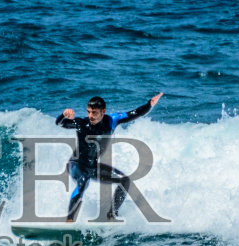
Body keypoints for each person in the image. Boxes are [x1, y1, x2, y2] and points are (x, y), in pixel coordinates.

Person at [55, 92, 164, 221]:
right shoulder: (81, 123)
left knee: (124, 180)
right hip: (76, 164)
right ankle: (69, 220)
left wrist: (149, 104)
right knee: (83, 181)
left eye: (94, 112)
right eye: (89, 112)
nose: (90, 116)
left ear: (103, 111)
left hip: (93, 166)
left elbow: (134, 114)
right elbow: (60, 123)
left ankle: (111, 215)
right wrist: (63, 115)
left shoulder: (112, 120)